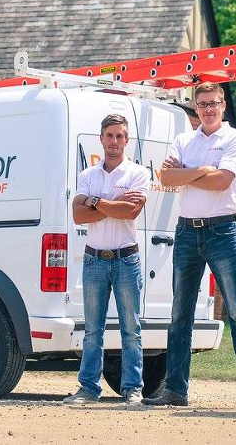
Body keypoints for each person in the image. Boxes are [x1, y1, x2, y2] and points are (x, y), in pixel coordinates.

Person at [144, 83, 236, 411]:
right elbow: (166, 179)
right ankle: (176, 390)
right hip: (186, 232)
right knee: (180, 313)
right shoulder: (184, 139)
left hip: (222, 230)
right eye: (202, 104)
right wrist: (202, 172)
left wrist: (186, 173)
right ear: (195, 107)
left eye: (214, 103)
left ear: (223, 105)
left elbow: (222, 181)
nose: (208, 109)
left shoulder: (235, 138)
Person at [63, 114, 150, 406]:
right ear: (101, 138)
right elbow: (78, 215)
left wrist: (97, 202)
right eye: (109, 135)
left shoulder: (138, 174)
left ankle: (132, 389)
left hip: (126, 258)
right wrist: (117, 203)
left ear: (127, 140)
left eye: (120, 136)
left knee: (131, 329)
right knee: (92, 330)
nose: (114, 142)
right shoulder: (87, 176)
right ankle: (88, 388)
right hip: (94, 260)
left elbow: (131, 213)